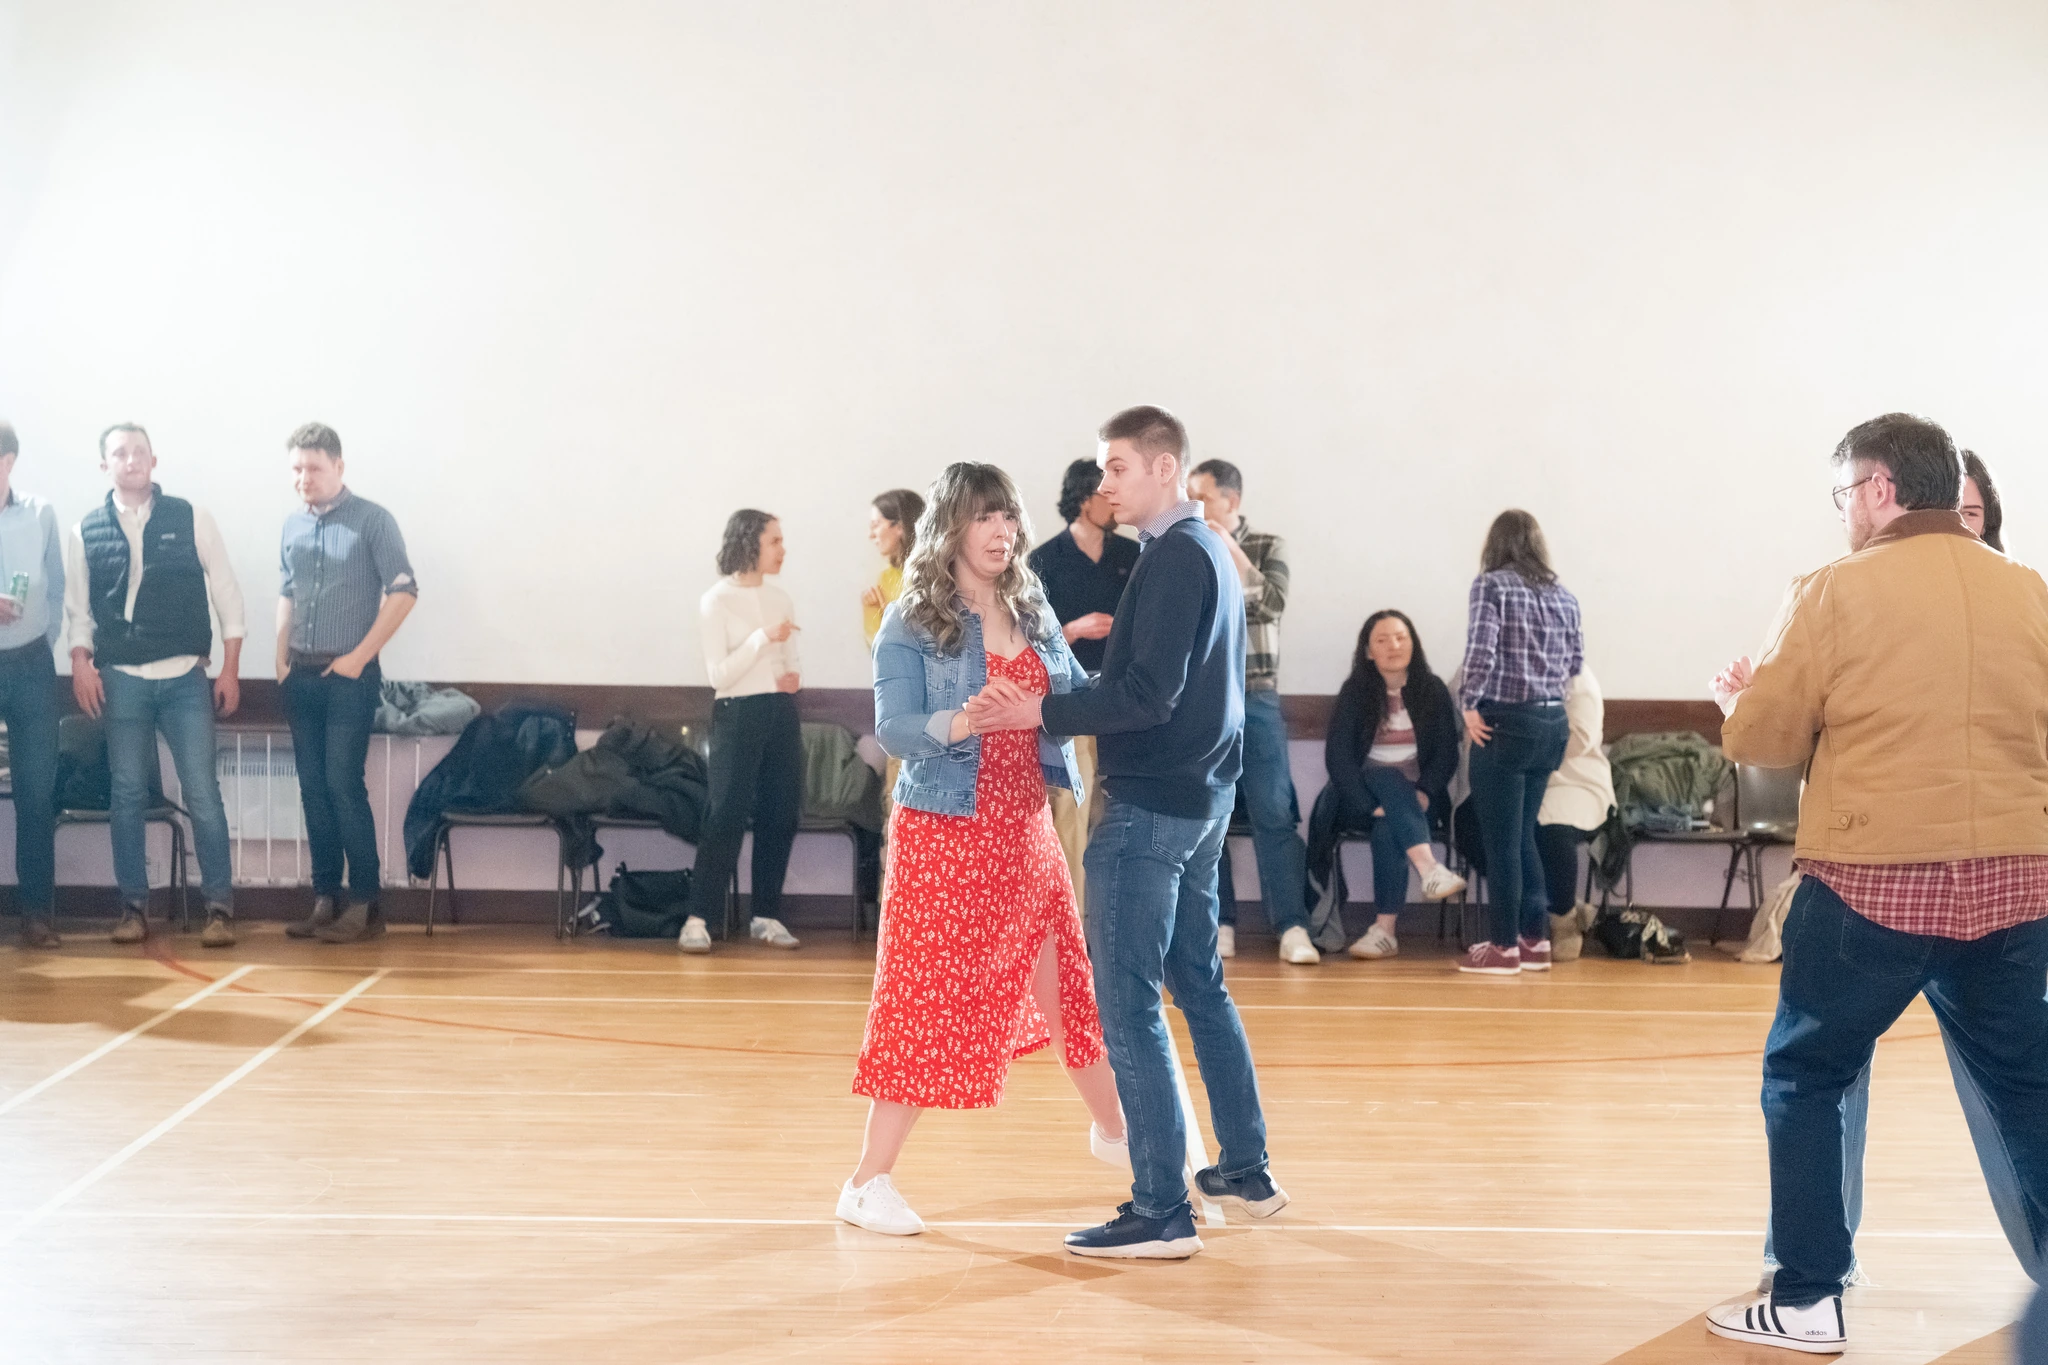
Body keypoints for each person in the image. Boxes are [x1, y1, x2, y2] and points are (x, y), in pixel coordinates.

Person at [1703, 412, 2048, 1354]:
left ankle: (1810, 1295)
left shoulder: (1832, 592)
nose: (1844, 511)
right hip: (2017, 887)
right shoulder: (2030, 591)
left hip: (1873, 886)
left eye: (1845, 492)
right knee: (2027, 1086)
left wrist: (1739, 703)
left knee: (1809, 1074)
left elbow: (1766, 743)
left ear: (1882, 488)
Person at [972, 405, 1285, 1261]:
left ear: (1162, 467)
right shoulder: (1200, 551)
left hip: (1152, 809)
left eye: (1115, 467)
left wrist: (1040, 708)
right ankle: (1246, 1169)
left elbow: (1148, 698)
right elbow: (1168, 684)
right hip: (1198, 803)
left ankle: (1161, 1209)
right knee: (1199, 983)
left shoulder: (1181, 557)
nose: (1103, 483)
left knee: (1128, 1003)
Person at [841, 463, 1125, 1236]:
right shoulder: (912, 619)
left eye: (1008, 517)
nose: (1001, 532)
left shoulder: (1032, 608)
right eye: (983, 518)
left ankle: (1123, 1137)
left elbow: (1066, 703)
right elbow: (896, 726)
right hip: (943, 834)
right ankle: (867, 1183)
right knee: (923, 1004)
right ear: (951, 528)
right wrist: (969, 719)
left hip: (1024, 831)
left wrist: (1059, 698)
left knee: (1069, 989)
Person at [65, 425, 244, 948]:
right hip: (121, 681)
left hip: (186, 678)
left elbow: (229, 597)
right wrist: (81, 663)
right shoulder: (85, 530)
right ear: (106, 465)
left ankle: (219, 908)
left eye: (139, 451)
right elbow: (78, 611)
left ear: (154, 460)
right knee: (126, 794)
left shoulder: (192, 517)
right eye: (119, 453)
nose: (131, 460)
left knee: (202, 793)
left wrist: (230, 669)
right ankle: (133, 908)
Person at [277, 423, 417, 944]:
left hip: (349, 678)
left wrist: (361, 657)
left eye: (313, 467)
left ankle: (364, 903)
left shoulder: (373, 521)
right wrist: (278, 660)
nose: (303, 478)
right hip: (301, 675)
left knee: (342, 784)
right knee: (313, 791)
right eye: (296, 468)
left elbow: (404, 591)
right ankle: (324, 899)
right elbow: (286, 591)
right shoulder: (292, 524)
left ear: (338, 466)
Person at [1187, 459, 1311, 964]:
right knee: (1209, 810)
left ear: (1231, 502)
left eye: (1203, 496)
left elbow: (1270, 602)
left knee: (1273, 810)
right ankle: (1221, 922)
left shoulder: (1266, 546)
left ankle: (1292, 927)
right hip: (1204, 698)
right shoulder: (1187, 549)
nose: (1193, 506)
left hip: (1256, 694)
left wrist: (1229, 547)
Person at [1456, 509, 1582, 976]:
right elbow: (1575, 663)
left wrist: (1469, 703)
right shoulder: (1563, 595)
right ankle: (1535, 941)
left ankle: (1504, 947)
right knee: (1524, 834)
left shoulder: (1491, 585)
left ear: (1495, 544)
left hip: (1505, 724)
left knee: (1501, 843)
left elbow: (1481, 649)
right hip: (1552, 724)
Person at [679, 509, 804, 954]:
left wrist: (791, 678)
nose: (782, 549)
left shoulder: (781, 599)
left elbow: (789, 665)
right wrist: (759, 639)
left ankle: (766, 915)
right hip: (736, 712)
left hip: (779, 712)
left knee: (781, 811)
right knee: (726, 812)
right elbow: (719, 675)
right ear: (751, 544)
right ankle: (699, 919)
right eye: (775, 541)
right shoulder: (716, 600)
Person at [1321, 610, 1466, 962]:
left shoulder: (1431, 689)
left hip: (1420, 800)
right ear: (1369, 651)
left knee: (1390, 828)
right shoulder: (1355, 691)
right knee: (1386, 776)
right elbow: (1338, 757)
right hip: (1360, 796)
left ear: (1413, 644)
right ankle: (1430, 869)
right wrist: (1369, 804)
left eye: (1401, 637)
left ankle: (1384, 931)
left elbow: (1447, 752)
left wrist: (1425, 791)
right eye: (1382, 640)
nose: (1393, 646)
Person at [1027, 458, 1138, 903]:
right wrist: (1072, 631)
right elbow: (1027, 634)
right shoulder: (1043, 560)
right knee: (1070, 811)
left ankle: (1115, 914)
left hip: (1126, 701)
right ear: (1081, 499)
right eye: (1103, 492)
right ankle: (1070, 916)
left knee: (1120, 812)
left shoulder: (1133, 554)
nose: (1113, 500)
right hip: (1070, 700)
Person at [0, 422, 64, 948]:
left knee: (36, 794)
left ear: (10, 460)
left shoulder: (40, 513)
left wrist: (44, 641)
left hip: (30, 666)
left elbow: (58, 586)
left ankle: (36, 914)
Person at [1534, 668, 1615, 962]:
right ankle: (1562, 901)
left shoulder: (1577, 679)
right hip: (1519, 778)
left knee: (1552, 829)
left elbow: (1578, 738)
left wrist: (1518, 744)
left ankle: (1563, 919)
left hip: (1574, 780)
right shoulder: (1503, 667)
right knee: (1487, 830)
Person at [861, 488, 924, 649]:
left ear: (900, 526)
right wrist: (873, 611)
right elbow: (877, 649)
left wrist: (891, 617)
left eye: (876, 525)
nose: (871, 535)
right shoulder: (885, 579)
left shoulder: (936, 575)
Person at [1962, 449, 2005, 552]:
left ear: (1986, 525)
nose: (1959, 523)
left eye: (1970, 514)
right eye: (1950, 513)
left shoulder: (2007, 568)